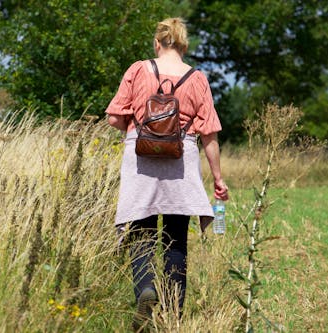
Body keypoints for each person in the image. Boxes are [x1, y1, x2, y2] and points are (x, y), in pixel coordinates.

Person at [105, 17, 229, 331]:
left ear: (157, 43)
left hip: (140, 157)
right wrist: (217, 178)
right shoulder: (198, 78)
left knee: (141, 230)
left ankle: (145, 287)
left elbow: (113, 117)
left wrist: (136, 130)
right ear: (184, 46)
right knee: (176, 237)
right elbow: (210, 134)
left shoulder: (137, 69)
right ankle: (173, 313)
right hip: (181, 157)